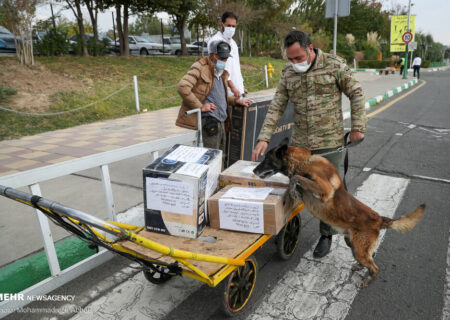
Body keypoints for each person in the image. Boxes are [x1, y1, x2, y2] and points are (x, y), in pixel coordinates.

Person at [251, 30, 366, 258]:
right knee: (300, 186)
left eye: (299, 58)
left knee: (331, 193)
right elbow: (277, 106)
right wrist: (264, 137)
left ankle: (327, 234)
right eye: (291, 59)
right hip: (301, 145)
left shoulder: (334, 65)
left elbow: (357, 93)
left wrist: (357, 127)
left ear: (310, 49)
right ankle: (290, 225)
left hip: (329, 142)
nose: (295, 63)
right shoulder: (288, 73)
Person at [176, 40, 252, 166]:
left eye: (226, 58)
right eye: (221, 57)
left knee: (220, 158)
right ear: (212, 55)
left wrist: (236, 100)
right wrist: (200, 107)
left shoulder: (220, 73)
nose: (224, 60)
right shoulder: (200, 67)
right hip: (210, 122)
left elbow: (221, 97)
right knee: (210, 161)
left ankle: (219, 185)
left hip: (222, 122)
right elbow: (183, 87)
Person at [208, 11, 247, 99]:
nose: (231, 28)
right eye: (228, 25)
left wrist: (241, 86)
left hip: (237, 91)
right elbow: (219, 69)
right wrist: (233, 88)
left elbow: (236, 67)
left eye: (233, 26)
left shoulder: (233, 43)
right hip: (225, 91)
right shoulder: (215, 42)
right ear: (221, 25)